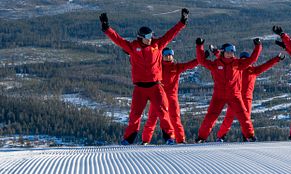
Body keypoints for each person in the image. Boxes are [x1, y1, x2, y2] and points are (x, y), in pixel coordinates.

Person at [99, 9, 189, 145]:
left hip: (155, 86)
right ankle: (128, 139)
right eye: (148, 37)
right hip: (140, 88)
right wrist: (106, 28)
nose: (150, 39)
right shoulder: (133, 47)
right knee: (135, 115)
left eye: (151, 36)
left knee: (163, 113)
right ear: (141, 37)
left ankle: (169, 138)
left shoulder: (157, 45)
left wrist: (182, 22)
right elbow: (118, 40)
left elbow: (170, 35)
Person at [194, 39, 261, 142]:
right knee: (210, 117)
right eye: (228, 52)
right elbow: (202, 61)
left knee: (244, 116)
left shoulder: (237, 63)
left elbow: (252, 59)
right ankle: (201, 137)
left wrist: (258, 46)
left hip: (234, 95)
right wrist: (199, 46)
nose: (230, 54)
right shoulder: (216, 64)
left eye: (232, 52)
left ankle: (250, 136)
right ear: (223, 52)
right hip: (218, 96)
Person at [216, 41, 285, 141]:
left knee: (246, 119)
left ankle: (247, 136)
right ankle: (221, 136)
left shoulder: (253, 71)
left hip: (247, 98)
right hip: (235, 97)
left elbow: (266, 65)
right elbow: (224, 60)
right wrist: (216, 52)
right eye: (242, 59)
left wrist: (277, 59)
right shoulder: (236, 68)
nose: (244, 61)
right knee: (229, 118)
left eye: (246, 59)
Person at [141, 47, 198, 144]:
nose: (168, 57)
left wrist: (200, 58)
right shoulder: (157, 66)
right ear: (162, 56)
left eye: (170, 55)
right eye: (166, 55)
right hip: (158, 97)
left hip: (171, 97)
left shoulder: (176, 67)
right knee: (152, 119)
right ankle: (145, 140)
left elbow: (190, 65)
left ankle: (180, 139)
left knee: (175, 118)